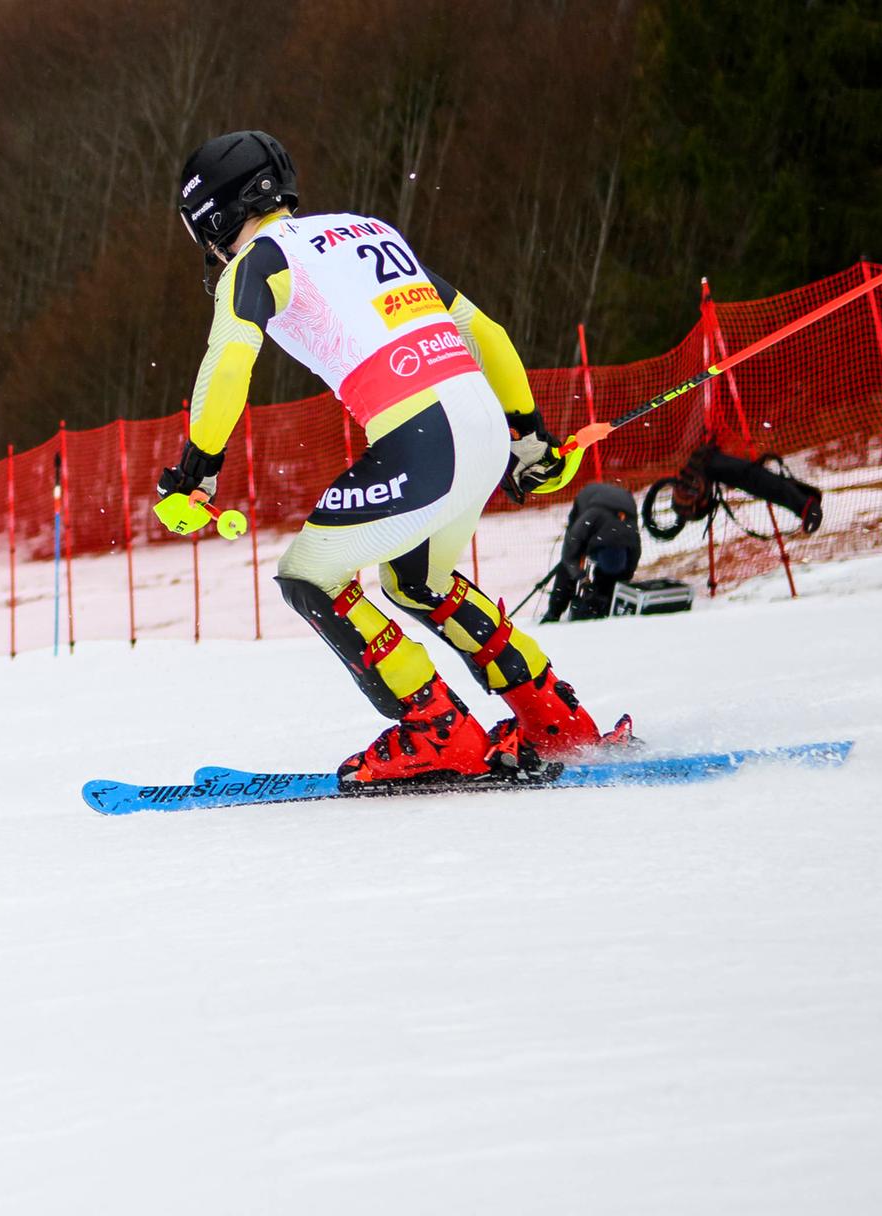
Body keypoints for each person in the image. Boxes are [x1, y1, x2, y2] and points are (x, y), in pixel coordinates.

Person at [157, 130, 627, 789]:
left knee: (310, 577)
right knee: (418, 582)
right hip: (480, 424)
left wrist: (197, 470)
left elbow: (230, 358)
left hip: (424, 435)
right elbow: (483, 332)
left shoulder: (256, 263)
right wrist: (530, 439)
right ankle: (554, 719)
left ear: (213, 216)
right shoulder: (365, 230)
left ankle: (436, 731)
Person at [542, 481, 641, 622]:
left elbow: (629, 568)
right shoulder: (586, 522)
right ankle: (554, 612)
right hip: (588, 500)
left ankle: (601, 604)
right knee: (568, 566)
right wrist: (580, 577)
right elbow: (569, 556)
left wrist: (619, 586)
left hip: (622, 505)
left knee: (609, 579)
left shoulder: (632, 541)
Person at [673, 440, 823, 533]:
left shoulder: (705, 465)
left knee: (750, 477)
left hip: (709, 456)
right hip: (707, 458)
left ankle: (803, 503)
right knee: (750, 477)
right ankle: (803, 502)